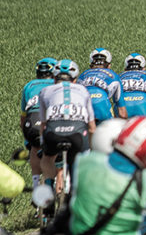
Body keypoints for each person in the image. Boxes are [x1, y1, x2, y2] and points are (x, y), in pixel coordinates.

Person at [38, 59, 97, 193]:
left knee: (47, 158)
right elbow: (92, 127)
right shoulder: (83, 90)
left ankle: (48, 187)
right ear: (74, 79)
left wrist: (43, 145)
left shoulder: (45, 91)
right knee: (81, 159)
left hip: (54, 131)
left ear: (54, 78)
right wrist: (91, 148)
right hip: (77, 131)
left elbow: (43, 124)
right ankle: (77, 192)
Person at [20, 57, 58, 190]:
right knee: (54, 151)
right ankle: (56, 185)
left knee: (34, 148)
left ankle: (36, 186)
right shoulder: (56, 84)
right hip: (48, 119)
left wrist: (27, 140)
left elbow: (23, 117)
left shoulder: (29, 86)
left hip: (31, 121)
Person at [77, 48, 126, 124]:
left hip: (83, 108)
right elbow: (122, 113)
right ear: (109, 66)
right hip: (102, 105)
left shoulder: (82, 75)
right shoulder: (114, 76)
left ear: (91, 65)